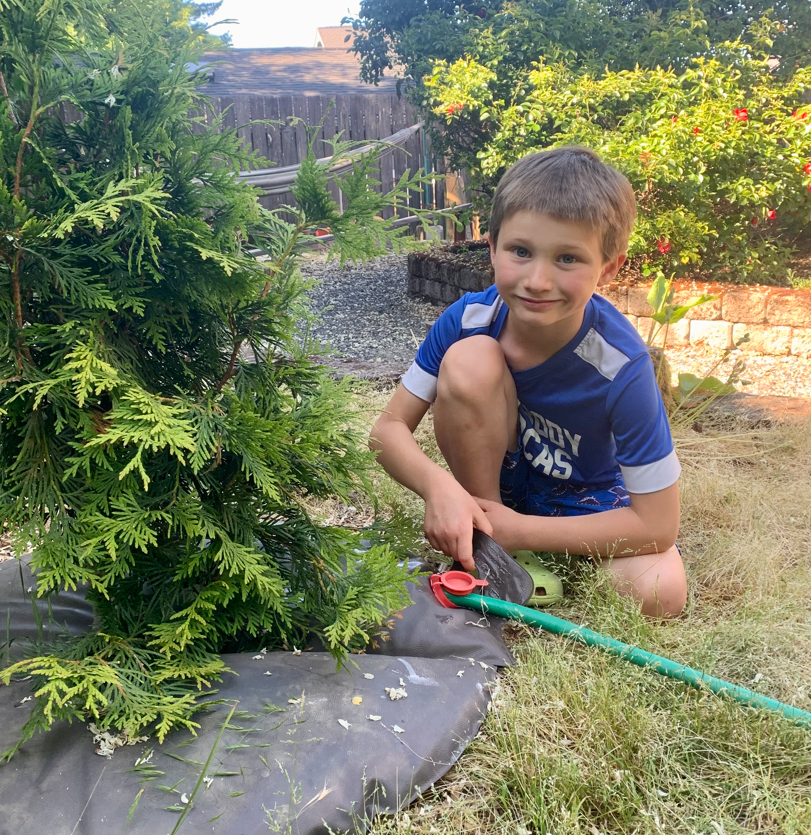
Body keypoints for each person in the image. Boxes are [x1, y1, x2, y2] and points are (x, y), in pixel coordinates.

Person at [370, 146, 687, 618]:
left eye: (567, 258)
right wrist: (440, 488)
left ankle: (512, 539)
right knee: (470, 359)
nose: (538, 280)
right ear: (492, 246)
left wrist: (521, 529)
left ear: (609, 268)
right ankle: (494, 547)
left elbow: (659, 525)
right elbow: (387, 430)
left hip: (586, 497)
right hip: (494, 487)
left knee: (659, 591)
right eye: (521, 251)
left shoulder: (623, 365)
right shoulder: (468, 319)